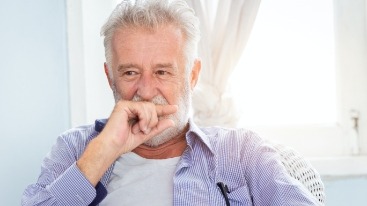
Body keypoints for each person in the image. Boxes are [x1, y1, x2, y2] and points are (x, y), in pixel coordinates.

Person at [22, 0, 321, 205]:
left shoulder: (242, 152)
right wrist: (103, 151)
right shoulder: (74, 149)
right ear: (110, 77)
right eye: (130, 72)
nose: (147, 90)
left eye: (162, 72)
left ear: (192, 75)